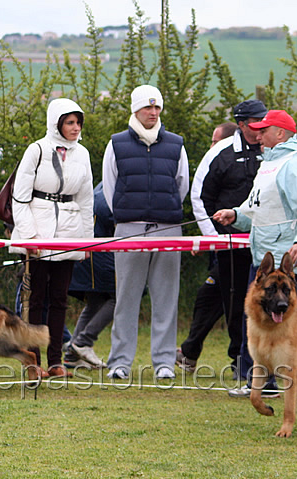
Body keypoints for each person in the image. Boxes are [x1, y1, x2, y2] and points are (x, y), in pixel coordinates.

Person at [214, 109, 297, 397]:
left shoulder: (294, 165)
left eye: (263, 130)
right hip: (264, 255)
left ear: (280, 133)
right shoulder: (272, 164)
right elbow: (261, 210)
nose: (258, 135)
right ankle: (259, 380)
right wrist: (236, 215)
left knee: (274, 322)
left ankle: (269, 382)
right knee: (258, 319)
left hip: (281, 260)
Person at [103, 84, 189, 380]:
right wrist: (129, 217)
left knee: (166, 297)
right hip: (129, 230)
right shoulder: (116, 144)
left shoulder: (176, 144)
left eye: (157, 108)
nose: (153, 113)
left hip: (168, 229)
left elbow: (182, 185)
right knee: (126, 297)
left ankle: (164, 361)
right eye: (147, 108)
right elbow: (110, 187)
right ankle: (120, 362)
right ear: (135, 110)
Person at [178, 102, 267, 376]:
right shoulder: (220, 153)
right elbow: (199, 197)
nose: (261, 127)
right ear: (241, 124)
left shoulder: (275, 149)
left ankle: (266, 363)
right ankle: (240, 361)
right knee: (235, 302)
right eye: (255, 122)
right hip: (230, 245)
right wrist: (213, 240)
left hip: (268, 243)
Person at [11, 98, 94, 379]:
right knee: (36, 299)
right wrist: (29, 235)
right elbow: (20, 196)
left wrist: (87, 241)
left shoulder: (82, 154)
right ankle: (33, 362)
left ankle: (56, 361)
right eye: (69, 122)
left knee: (60, 298)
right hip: (38, 226)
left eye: (78, 122)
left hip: (70, 230)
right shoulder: (36, 150)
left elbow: (86, 200)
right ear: (56, 123)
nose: (75, 127)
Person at [64, 181, 115, 369]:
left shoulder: (100, 187)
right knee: (120, 298)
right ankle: (83, 341)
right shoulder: (106, 194)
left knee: (95, 302)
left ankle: (72, 354)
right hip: (98, 254)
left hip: (89, 254)